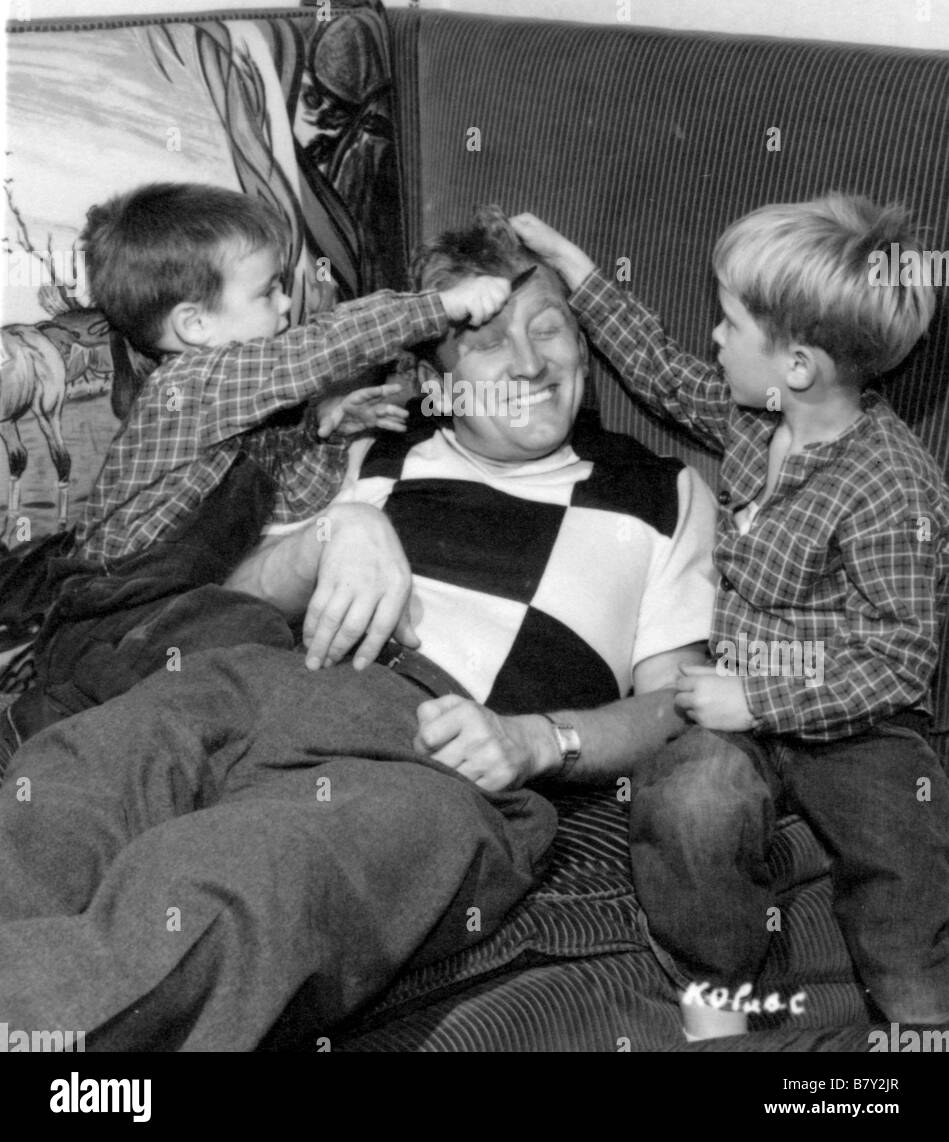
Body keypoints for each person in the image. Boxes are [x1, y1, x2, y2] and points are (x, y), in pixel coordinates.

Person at [0, 209, 718, 1050]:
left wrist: (538, 742)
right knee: (67, 784)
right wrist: (334, 534)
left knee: (252, 874)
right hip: (258, 678)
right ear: (437, 369)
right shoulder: (371, 446)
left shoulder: (659, 491)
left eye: (551, 328)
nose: (528, 362)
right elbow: (225, 599)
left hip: (433, 757)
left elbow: (680, 701)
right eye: (486, 340)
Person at [513, 198, 949, 1038]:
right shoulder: (755, 420)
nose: (712, 338)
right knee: (688, 801)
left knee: (903, 837)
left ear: (796, 364)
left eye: (729, 324)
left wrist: (763, 701)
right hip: (731, 699)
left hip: (854, 713)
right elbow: (663, 374)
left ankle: (920, 1012)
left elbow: (898, 659)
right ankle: (720, 988)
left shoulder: (895, 484)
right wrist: (576, 271)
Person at [0, 182, 510, 766]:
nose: (287, 305)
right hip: (110, 612)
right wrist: (440, 305)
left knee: (242, 637)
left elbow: (290, 496)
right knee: (248, 639)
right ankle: (29, 736)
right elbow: (320, 346)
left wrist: (327, 428)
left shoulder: (236, 404)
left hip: (162, 609)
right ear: (195, 325)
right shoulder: (195, 384)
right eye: (268, 292)